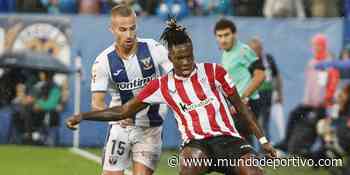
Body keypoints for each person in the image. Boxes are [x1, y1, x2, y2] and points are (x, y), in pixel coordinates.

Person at [66, 18, 277, 175]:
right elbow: (124, 110)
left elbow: (241, 108)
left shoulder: (215, 72)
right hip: (196, 144)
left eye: (189, 56)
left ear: (193, 52)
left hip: (228, 140)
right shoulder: (161, 85)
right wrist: (83, 116)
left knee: (254, 172)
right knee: (190, 167)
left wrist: (263, 140)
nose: (185, 62)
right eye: (180, 58)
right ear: (170, 57)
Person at [88, 4, 171, 175]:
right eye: (123, 29)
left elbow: (178, 76)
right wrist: (117, 116)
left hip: (150, 128)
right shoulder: (103, 62)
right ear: (112, 29)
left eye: (132, 28)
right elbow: (97, 104)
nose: (129, 34)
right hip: (121, 128)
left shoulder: (153, 48)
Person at [214, 18, 266, 141]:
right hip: (236, 103)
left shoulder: (243, 50)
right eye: (219, 36)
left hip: (248, 102)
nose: (223, 39)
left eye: (226, 35)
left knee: (236, 139)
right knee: (240, 141)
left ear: (234, 34)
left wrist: (245, 97)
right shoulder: (226, 53)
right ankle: (255, 158)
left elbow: (260, 75)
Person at [248, 37, 283, 139]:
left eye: (258, 48)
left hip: (266, 94)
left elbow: (276, 76)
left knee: (264, 123)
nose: (256, 51)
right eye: (253, 49)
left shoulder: (268, 59)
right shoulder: (246, 61)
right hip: (252, 95)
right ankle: (250, 150)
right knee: (250, 124)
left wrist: (279, 93)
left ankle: (265, 150)